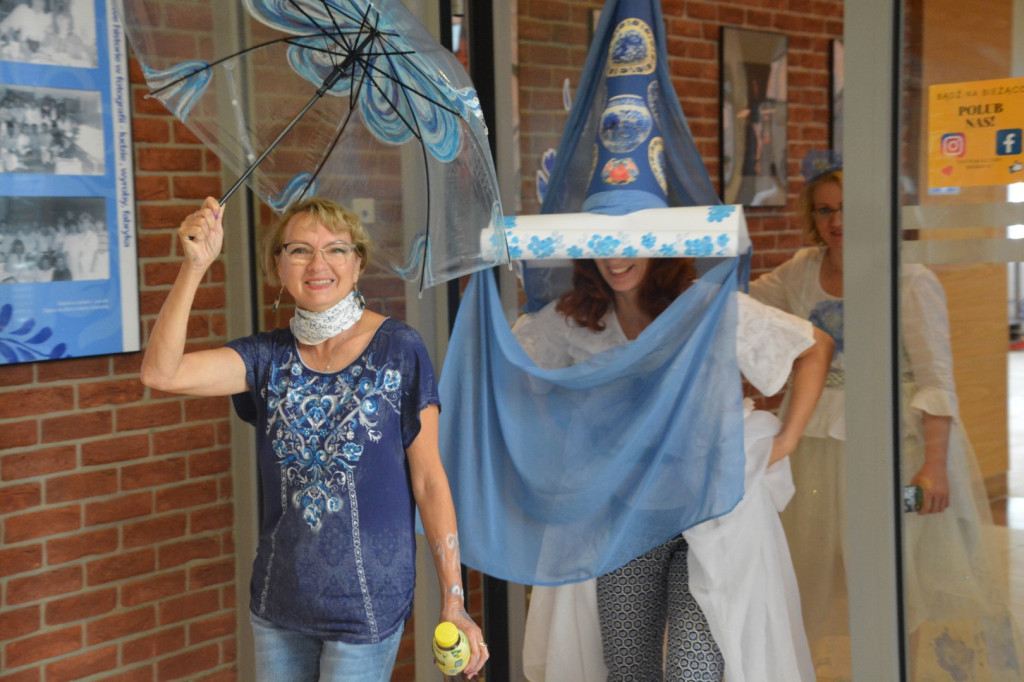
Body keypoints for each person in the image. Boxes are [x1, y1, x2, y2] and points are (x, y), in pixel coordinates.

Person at [140, 196, 488, 682]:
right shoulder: (266, 358)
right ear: (277, 266)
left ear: (358, 263)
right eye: (300, 250)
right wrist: (194, 266)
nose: (318, 264)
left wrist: (454, 599)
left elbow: (429, 481)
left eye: (337, 249)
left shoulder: (399, 349)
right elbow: (161, 372)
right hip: (279, 602)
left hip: (365, 606)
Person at [749, 151, 1024, 680]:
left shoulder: (909, 279)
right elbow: (743, 301)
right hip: (816, 443)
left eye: (849, 208)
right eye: (825, 210)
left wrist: (934, 465)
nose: (837, 221)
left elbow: (936, 378)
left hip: (894, 448)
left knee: (895, 576)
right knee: (816, 572)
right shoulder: (800, 271)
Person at [516, 255, 833, 682]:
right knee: (628, 669)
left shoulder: (706, 306)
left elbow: (813, 347)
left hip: (712, 515)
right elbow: (515, 371)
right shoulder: (577, 317)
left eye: (630, 244)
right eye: (605, 245)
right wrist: (568, 440)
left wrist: (786, 440)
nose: (615, 258)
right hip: (627, 520)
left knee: (692, 671)